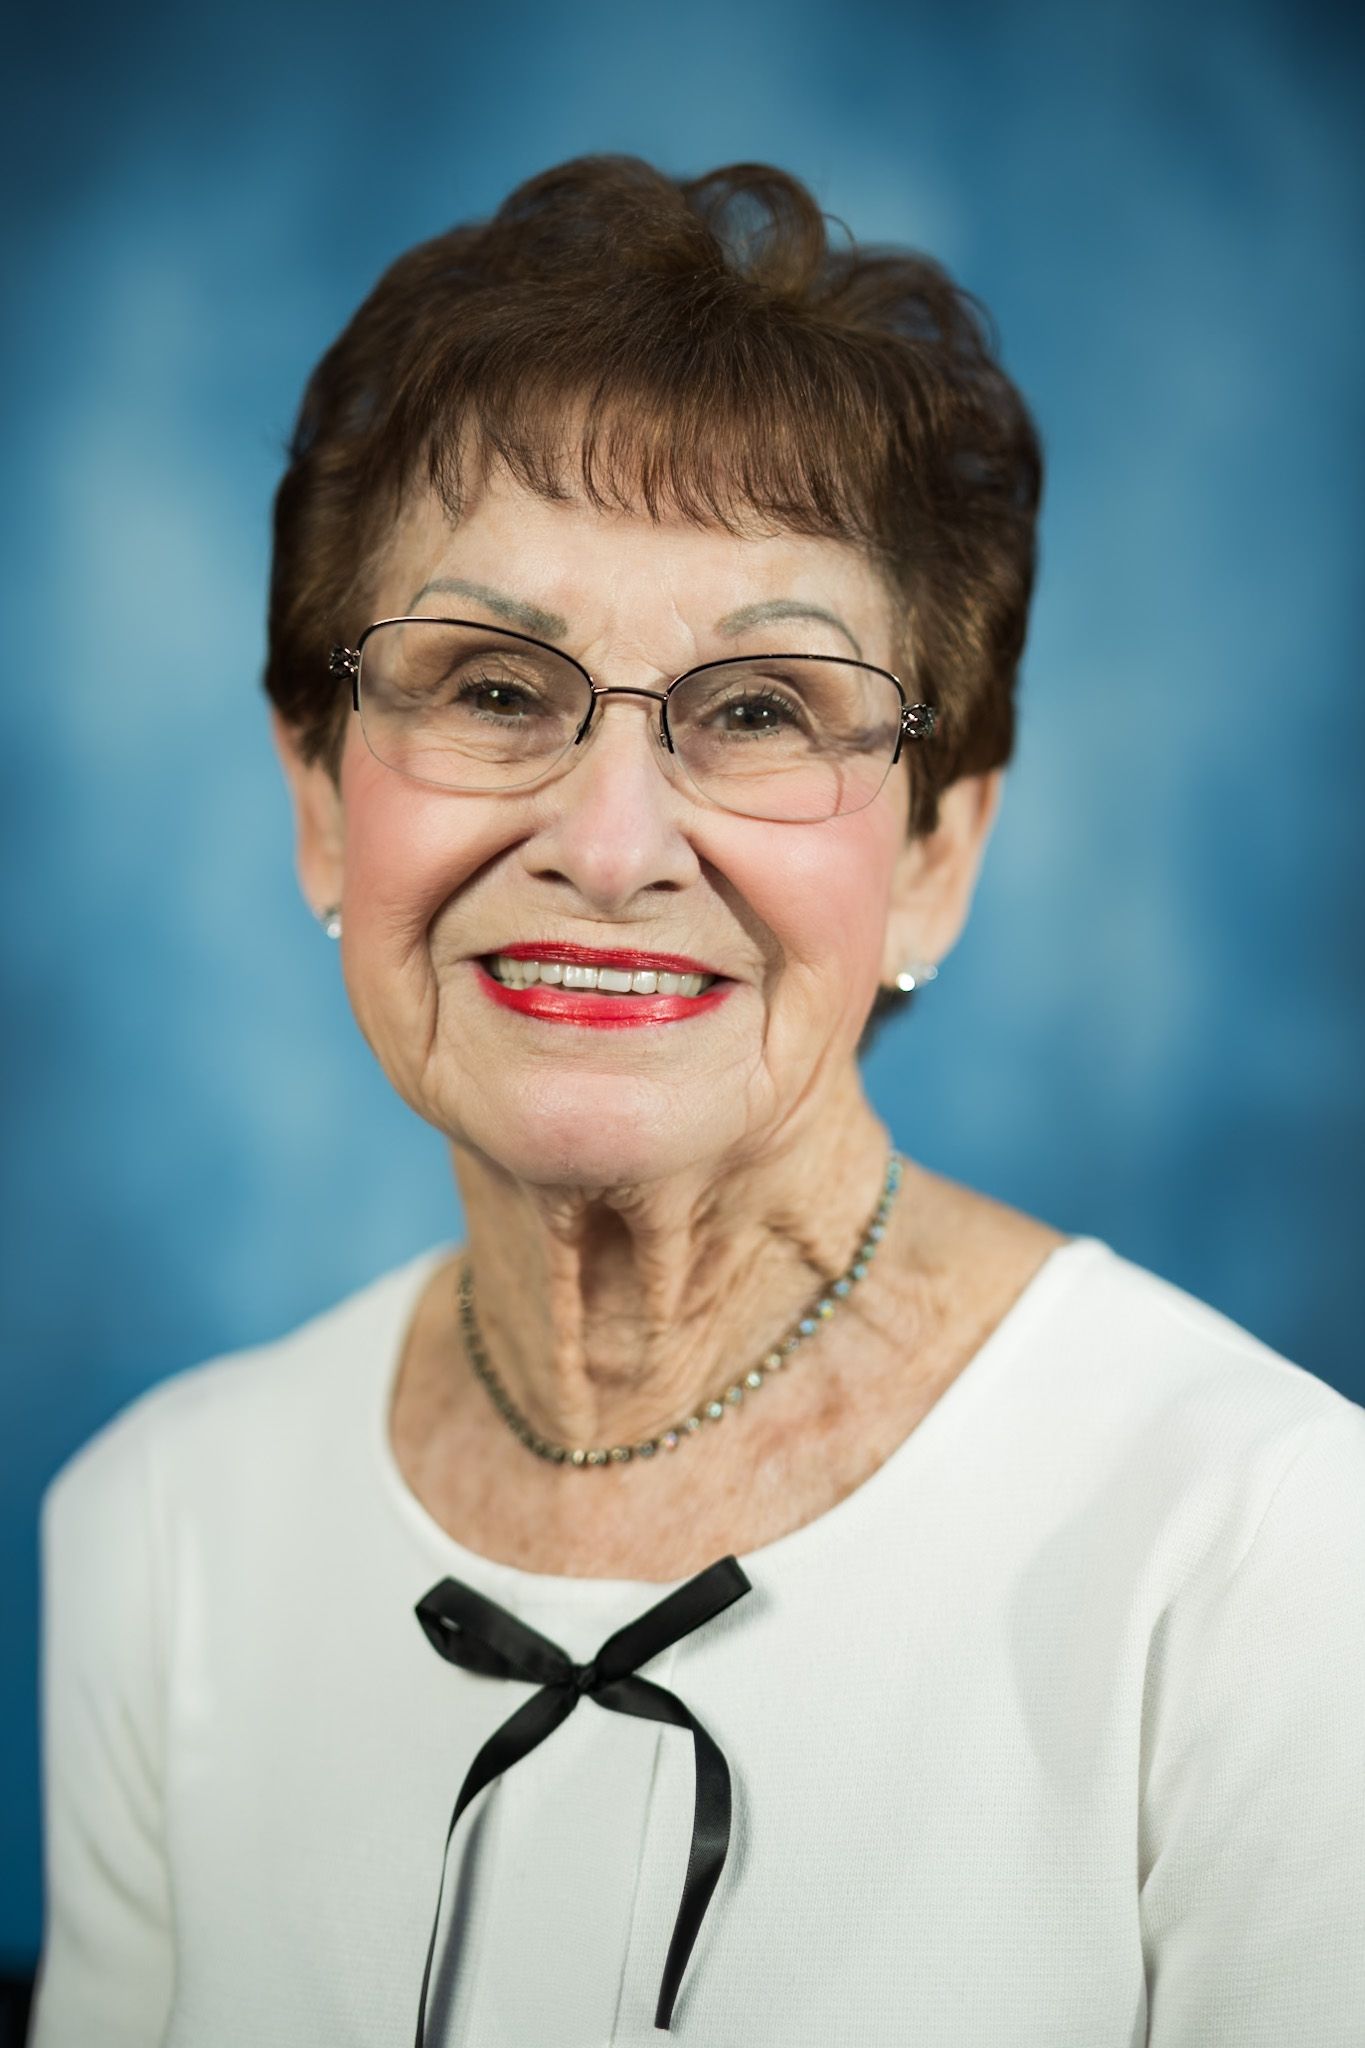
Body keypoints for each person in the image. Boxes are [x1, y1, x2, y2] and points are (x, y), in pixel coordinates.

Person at [30, 156, 1365, 2048]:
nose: (607, 842)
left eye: (757, 709)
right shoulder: (159, 1529)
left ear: (932, 855)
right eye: (493, 687)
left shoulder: (1265, 1548)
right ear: (324, 794)